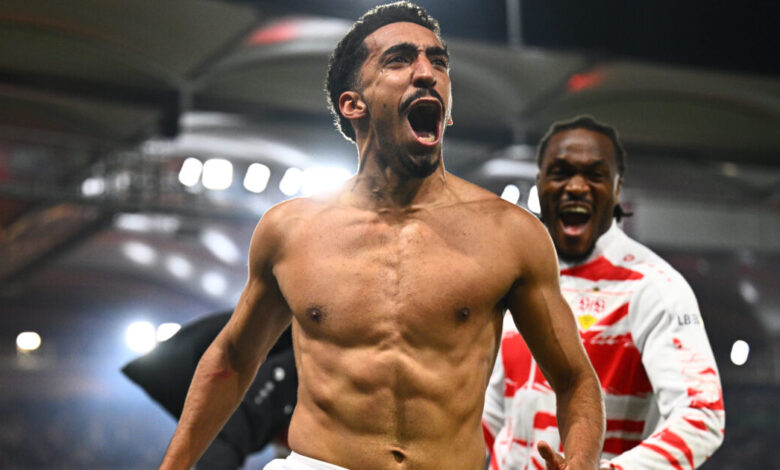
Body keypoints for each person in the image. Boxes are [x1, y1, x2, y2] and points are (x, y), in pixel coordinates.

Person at [160, 4, 605, 469]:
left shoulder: (511, 233)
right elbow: (233, 359)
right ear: (353, 104)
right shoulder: (290, 230)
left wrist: (581, 460)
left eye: (438, 61)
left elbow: (575, 379)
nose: (427, 73)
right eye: (399, 60)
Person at [483, 116, 725, 469]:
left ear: (616, 189)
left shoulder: (654, 286)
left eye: (594, 175)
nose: (576, 186)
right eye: (561, 172)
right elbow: (490, 416)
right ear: (540, 183)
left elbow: (703, 415)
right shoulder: (515, 278)